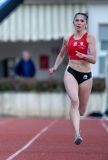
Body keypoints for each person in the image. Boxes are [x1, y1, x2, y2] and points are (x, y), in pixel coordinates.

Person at [48, 12, 96, 145]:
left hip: (86, 75)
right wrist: (55, 66)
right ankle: (77, 134)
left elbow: (94, 59)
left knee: (81, 111)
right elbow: (61, 54)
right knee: (74, 101)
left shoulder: (90, 38)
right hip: (71, 71)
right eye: (77, 20)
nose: (79, 23)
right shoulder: (67, 38)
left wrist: (84, 56)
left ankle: (77, 125)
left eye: (82, 21)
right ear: (73, 22)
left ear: (86, 24)